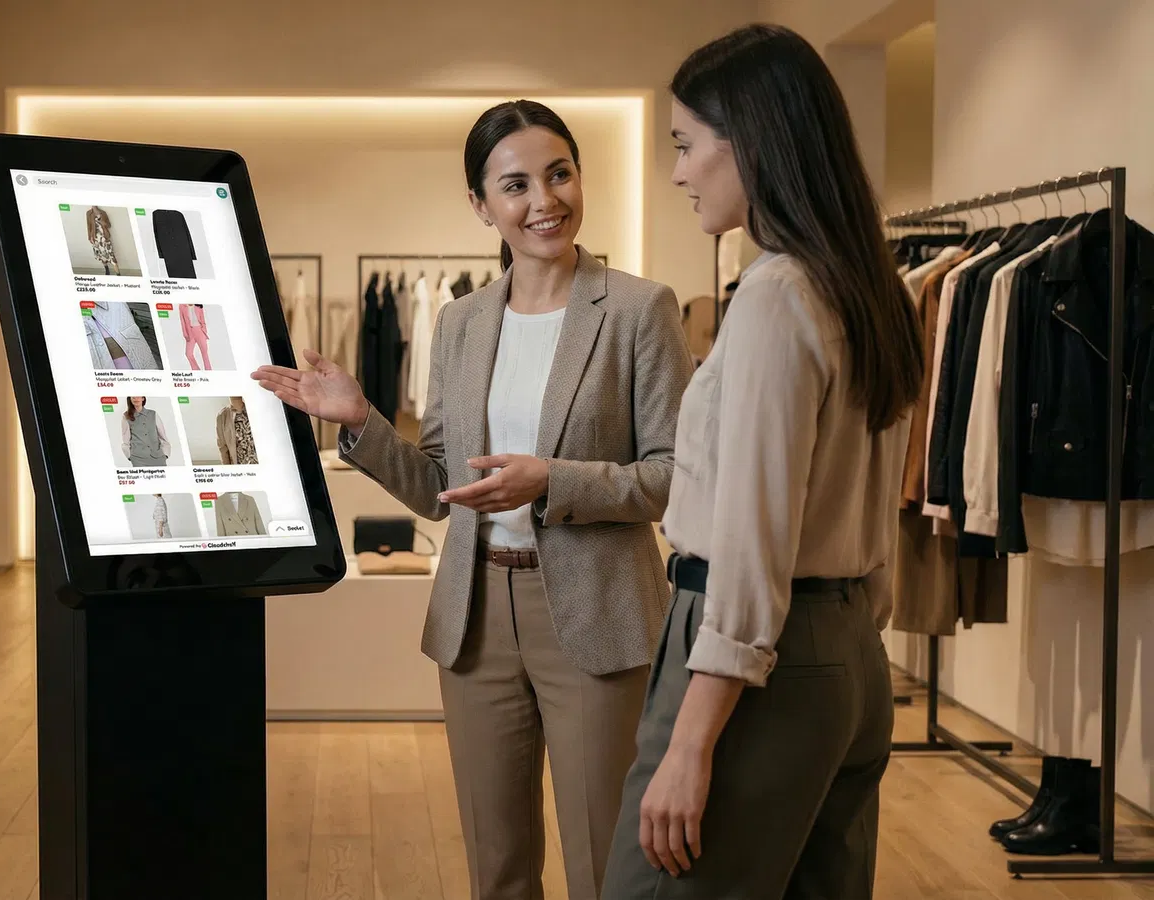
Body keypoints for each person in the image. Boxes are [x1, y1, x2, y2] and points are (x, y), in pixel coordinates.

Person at [253, 99, 694, 900]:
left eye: (559, 174)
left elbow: (675, 475)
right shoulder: (459, 323)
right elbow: (437, 489)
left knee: (606, 865)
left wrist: (552, 481)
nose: (544, 201)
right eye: (516, 184)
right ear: (481, 205)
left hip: (595, 614)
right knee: (497, 868)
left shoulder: (639, 309)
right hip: (475, 614)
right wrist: (360, 421)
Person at [601, 24, 924, 900]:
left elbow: (752, 533)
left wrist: (692, 743)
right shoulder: (871, 286)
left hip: (755, 658)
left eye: (685, 145)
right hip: (847, 652)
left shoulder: (778, 295)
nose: (676, 171)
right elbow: (871, 501)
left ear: (749, 140)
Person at [120, 396, 170, 467]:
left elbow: (162, 436)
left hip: (158, 457)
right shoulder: (126, 416)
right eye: (133, 397)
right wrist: (130, 456)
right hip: (138, 459)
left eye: (138, 397)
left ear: (143, 398)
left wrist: (165, 454)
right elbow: (125, 438)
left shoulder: (153, 414)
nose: (136, 399)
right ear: (130, 399)